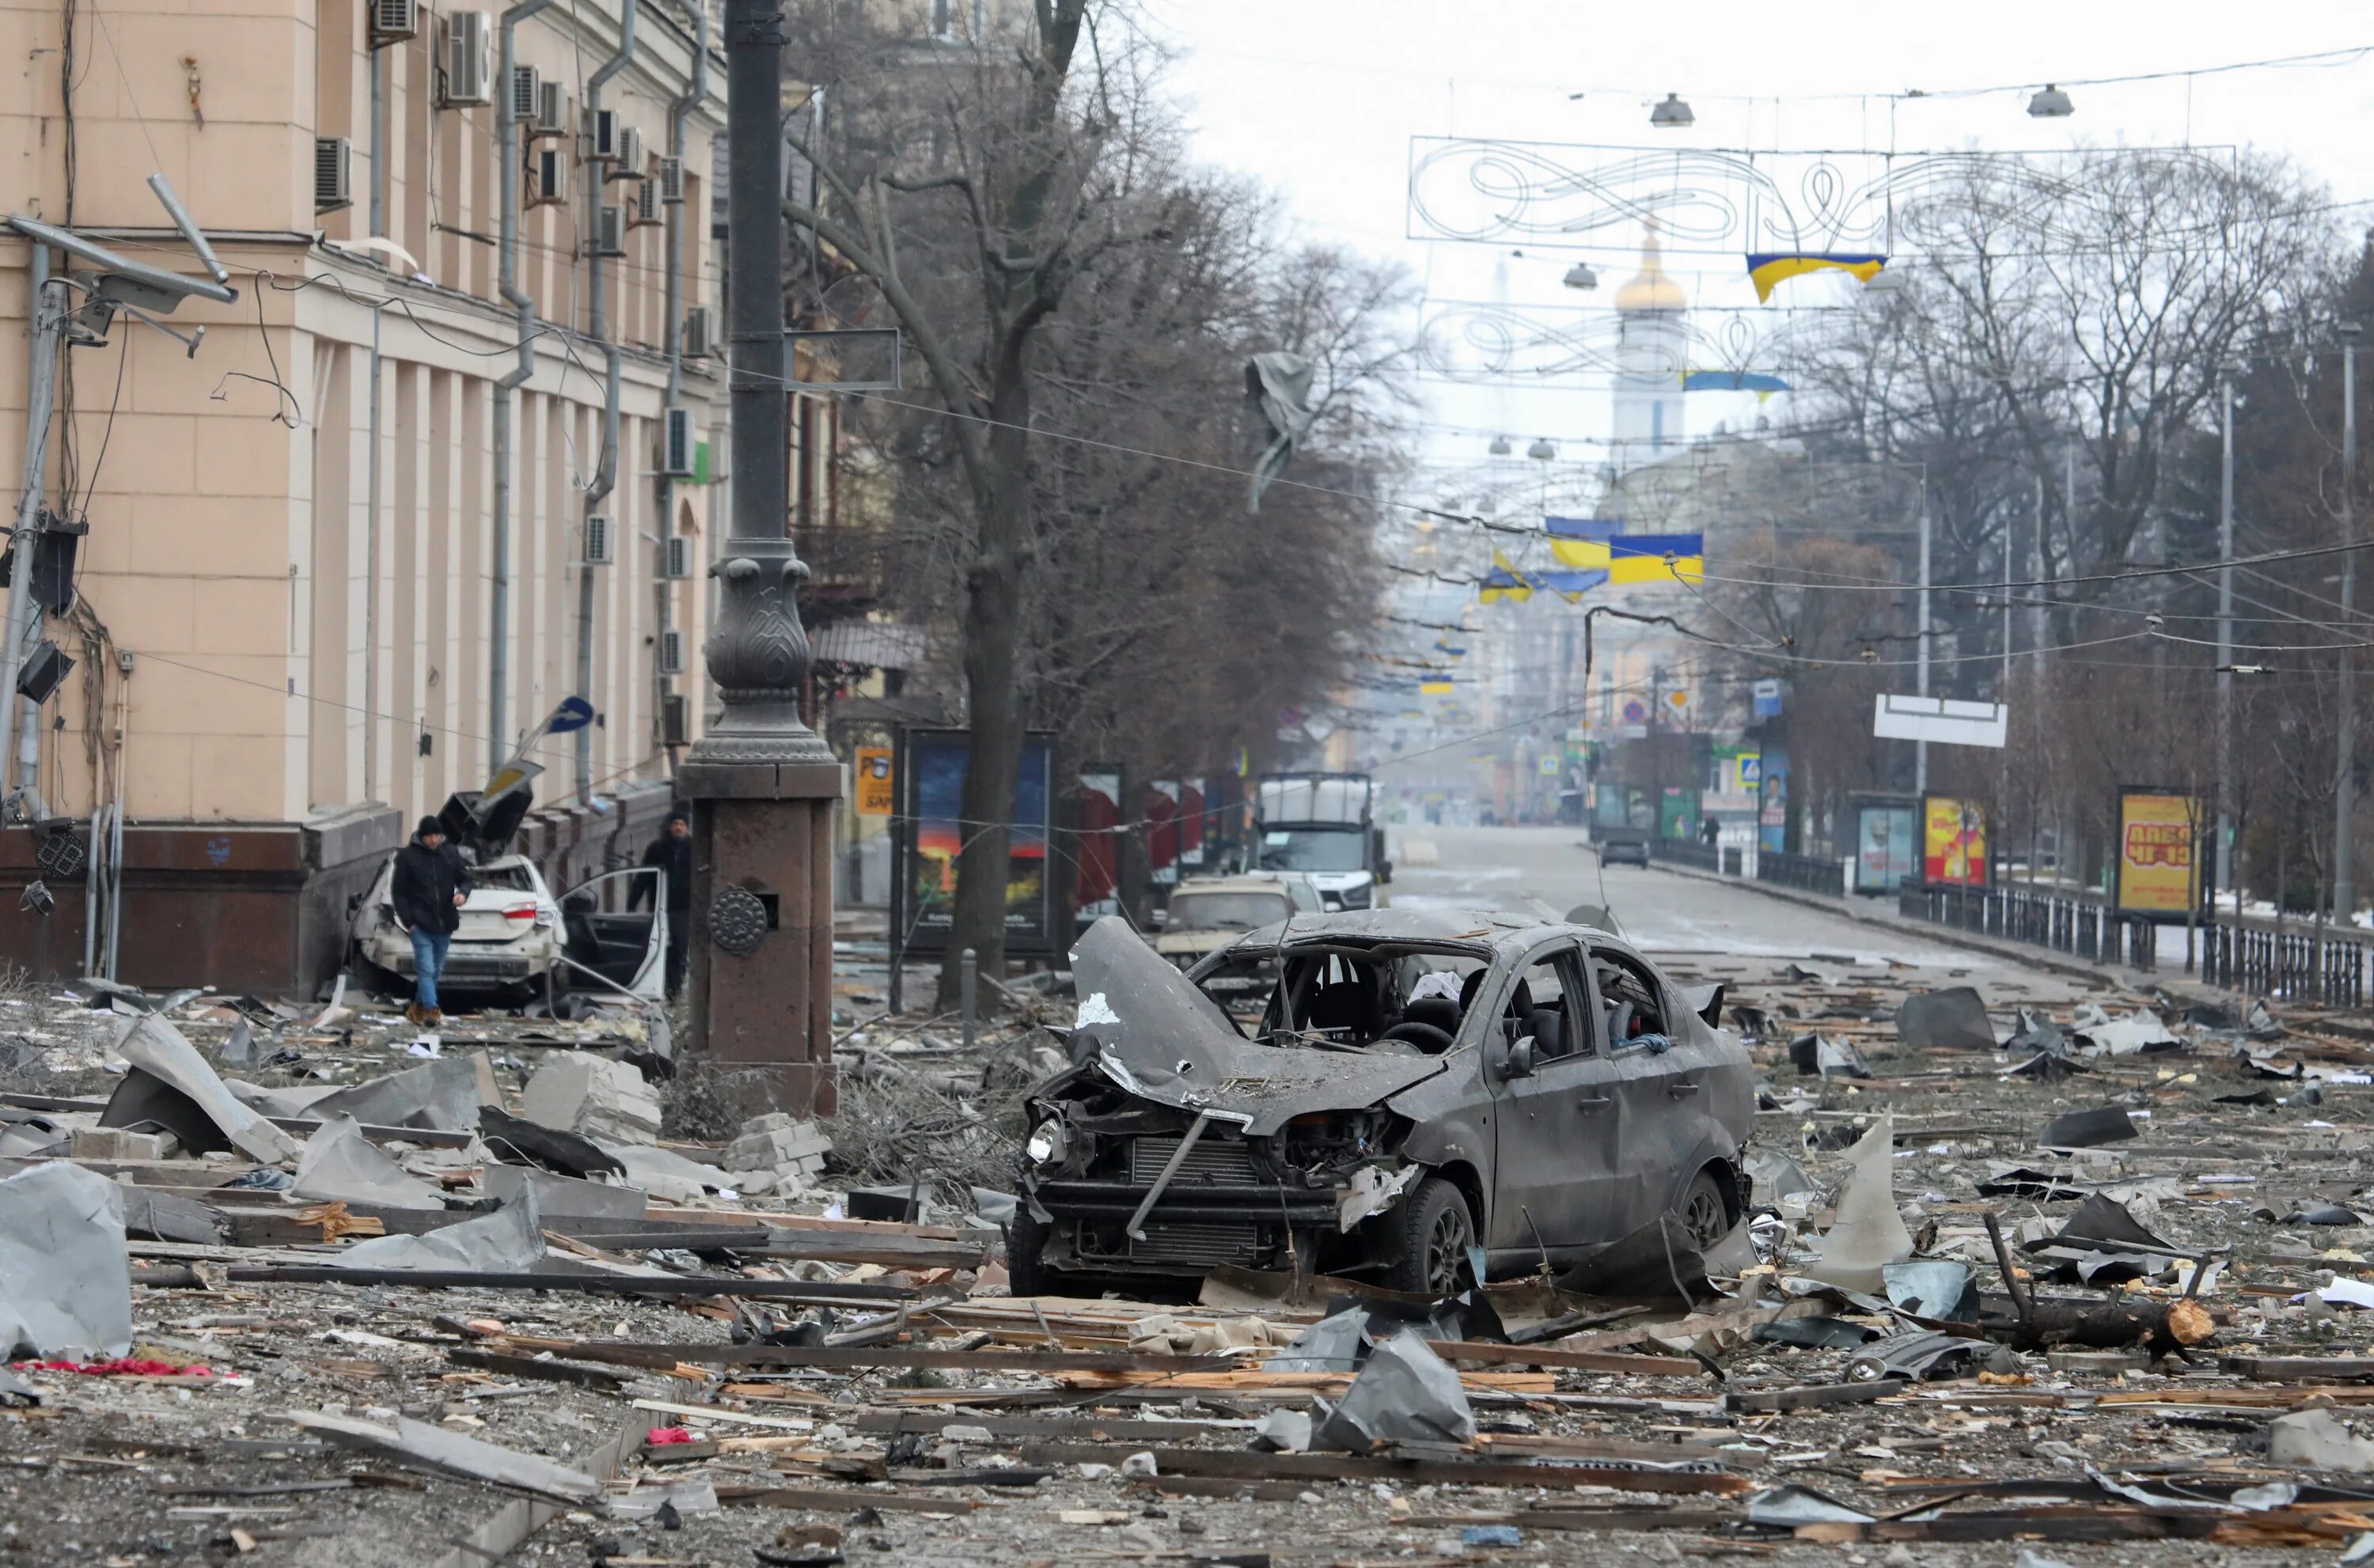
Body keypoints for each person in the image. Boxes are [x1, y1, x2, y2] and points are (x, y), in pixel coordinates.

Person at [390, 815, 470, 1026]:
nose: (434, 840)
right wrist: (410, 922)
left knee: (435, 970)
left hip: (445, 922)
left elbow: (465, 878)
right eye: (430, 836)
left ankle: (416, 1008)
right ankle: (431, 1010)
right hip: (420, 924)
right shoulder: (408, 857)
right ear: (422, 837)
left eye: (437, 836)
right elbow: (398, 892)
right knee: (425, 968)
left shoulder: (450, 853)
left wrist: (463, 894)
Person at [635, 806, 694, 998]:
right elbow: (643, 878)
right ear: (670, 827)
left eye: (682, 825)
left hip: (683, 909)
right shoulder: (657, 849)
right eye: (676, 824)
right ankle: (659, 988)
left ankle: (674, 991)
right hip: (660, 907)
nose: (678, 828)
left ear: (687, 828)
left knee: (679, 950)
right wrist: (632, 902)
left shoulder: (694, 848)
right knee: (658, 948)